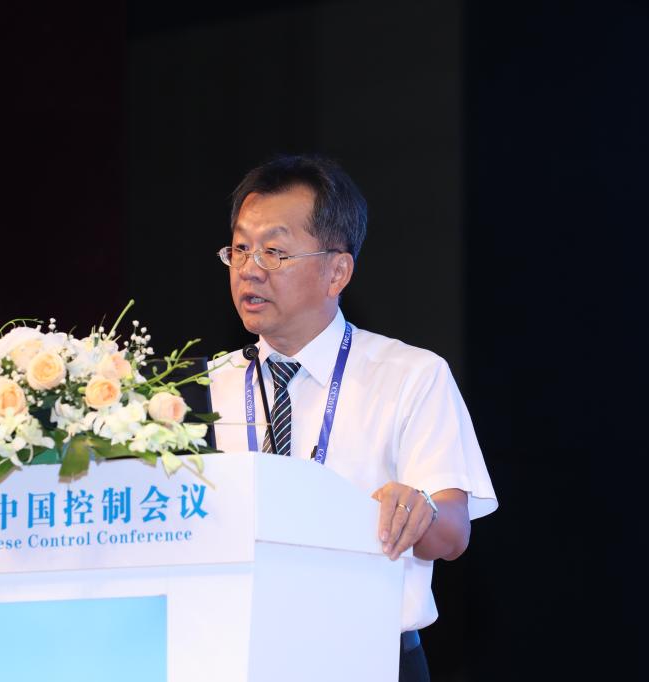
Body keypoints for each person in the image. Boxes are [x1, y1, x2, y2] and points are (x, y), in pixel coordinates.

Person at [208, 154, 497, 682]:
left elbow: (454, 532)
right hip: (233, 658)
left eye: (274, 251)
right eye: (241, 249)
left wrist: (422, 510)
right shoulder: (199, 388)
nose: (249, 269)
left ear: (337, 271)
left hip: (370, 658)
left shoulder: (410, 375)